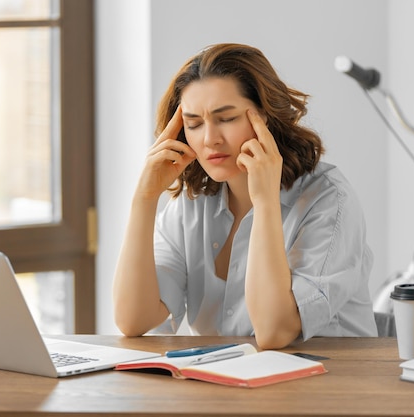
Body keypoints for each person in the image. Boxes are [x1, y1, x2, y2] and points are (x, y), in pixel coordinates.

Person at [112, 43, 377, 349]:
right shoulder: (191, 204)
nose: (210, 139)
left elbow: (274, 331)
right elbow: (133, 319)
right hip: (229, 386)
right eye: (194, 123)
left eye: (226, 119)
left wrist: (265, 202)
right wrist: (144, 199)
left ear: (263, 115)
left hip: (334, 385)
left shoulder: (329, 200)